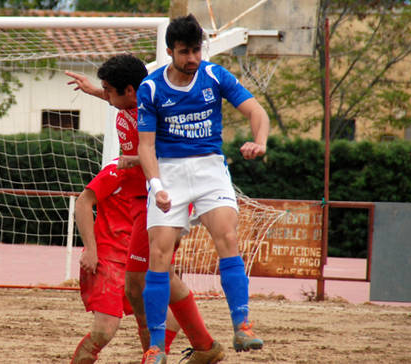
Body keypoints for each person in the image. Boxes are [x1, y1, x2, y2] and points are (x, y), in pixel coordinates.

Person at [67, 54, 224, 364]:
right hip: (147, 203)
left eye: (108, 90)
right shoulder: (131, 102)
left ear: (128, 90)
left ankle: (176, 350)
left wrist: (135, 160)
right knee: (145, 283)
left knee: (144, 282)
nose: (106, 96)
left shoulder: (159, 109)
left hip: (166, 198)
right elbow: (123, 101)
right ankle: (187, 348)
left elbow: (175, 153)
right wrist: (94, 91)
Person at [137, 15, 270, 362]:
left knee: (227, 236)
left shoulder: (214, 75)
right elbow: (146, 147)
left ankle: (243, 326)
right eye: (185, 52)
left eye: (196, 50)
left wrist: (260, 141)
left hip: (211, 168)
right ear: (170, 51)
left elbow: (257, 111)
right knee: (160, 255)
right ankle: (154, 346)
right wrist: (156, 186)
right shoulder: (150, 88)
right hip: (169, 173)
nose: (192, 58)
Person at [70, 158, 134, 363]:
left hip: (141, 261)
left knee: (169, 319)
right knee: (105, 330)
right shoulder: (118, 169)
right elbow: (82, 202)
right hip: (110, 259)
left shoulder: (167, 173)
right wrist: (90, 248)